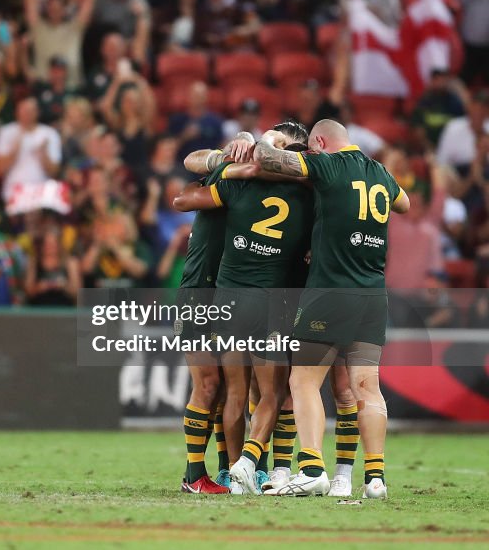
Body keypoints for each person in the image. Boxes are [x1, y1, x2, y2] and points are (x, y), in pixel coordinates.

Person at [251, 120, 410, 498]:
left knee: (303, 381)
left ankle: (311, 468)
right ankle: (374, 479)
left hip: (330, 291)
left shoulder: (326, 164)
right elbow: (405, 203)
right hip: (373, 296)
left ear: (320, 142)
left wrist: (268, 139)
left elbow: (268, 159)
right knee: (367, 388)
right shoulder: (380, 172)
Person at [173, 133, 313, 496]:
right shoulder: (292, 192)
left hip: (226, 298)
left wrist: (240, 168)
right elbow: (186, 181)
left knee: (231, 390)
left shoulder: (239, 185)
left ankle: (233, 472)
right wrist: (230, 159)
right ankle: (216, 472)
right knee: (217, 387)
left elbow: (183, 197)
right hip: (202, 294)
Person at [23, 0, 93, 86]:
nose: (54, 10)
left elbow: (89, 0)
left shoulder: (74, 28)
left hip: (72, 87)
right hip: (43, 85)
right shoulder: (38, 27)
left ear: (64, 10)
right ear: (47, 9)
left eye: (58, 7)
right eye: (51, 7)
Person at [0, 96, 62, 198]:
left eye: (30, 111)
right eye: (24, 110)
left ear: (38, 112)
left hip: (41, 192)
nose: (27, 114)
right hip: (13, 191)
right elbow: (0, 170)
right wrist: (14, 151)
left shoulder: (49, 134)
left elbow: (54, 173)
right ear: (17, 112)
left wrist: (43, 155)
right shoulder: (6, 132)